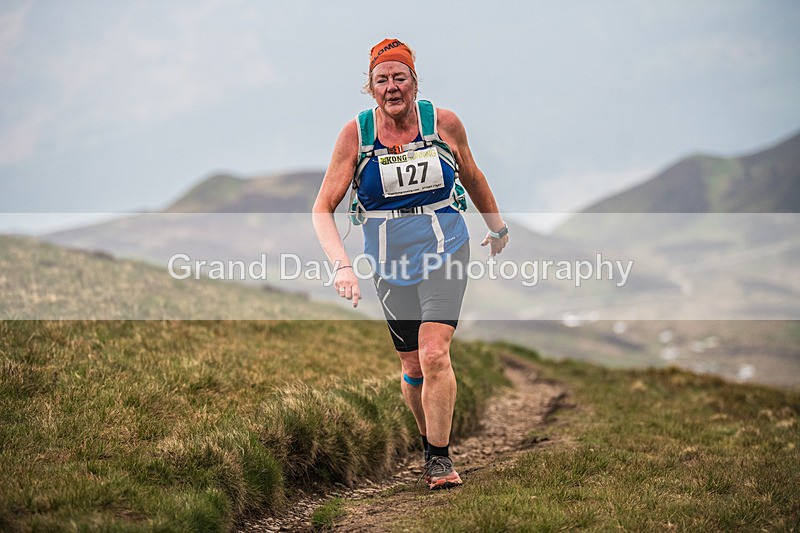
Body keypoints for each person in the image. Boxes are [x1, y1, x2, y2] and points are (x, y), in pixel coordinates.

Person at [312, 38, 508, 490]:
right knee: (413, 366)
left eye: (400, 77)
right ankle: (428, 443)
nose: (391, 87)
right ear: (370, 87)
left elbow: (473, 177)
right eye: (382, 80)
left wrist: (496, 229)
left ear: (414, 82)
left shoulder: (443, 123)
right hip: (387, 261)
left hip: (445, 248)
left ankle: (440, 459)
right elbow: (322, 207)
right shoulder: (356, 136)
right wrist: (342, 265)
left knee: (435, 351)